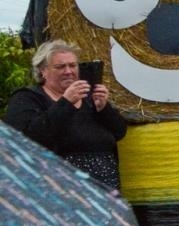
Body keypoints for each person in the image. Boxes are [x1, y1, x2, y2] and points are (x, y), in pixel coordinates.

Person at [4, 39, 127, 191]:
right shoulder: (28, 98)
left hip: (104, 191)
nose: (68, 71)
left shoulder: (88, 98)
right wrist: (66, 103)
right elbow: (24, 139)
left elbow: (119, 132)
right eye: (60, 67)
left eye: (72, 65)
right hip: (58, 190)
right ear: (43, 71)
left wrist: (104, 108)